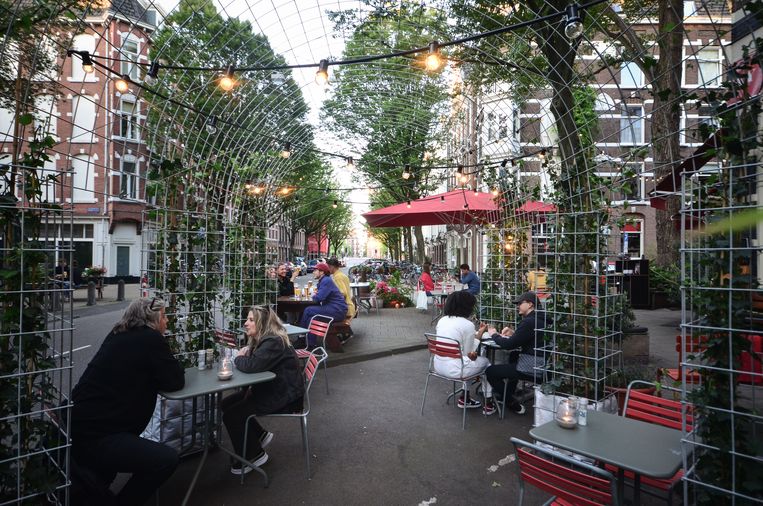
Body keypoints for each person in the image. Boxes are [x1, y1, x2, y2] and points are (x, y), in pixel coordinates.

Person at [70, 297, 185, 505]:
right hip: (101, 436)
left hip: (78, 428)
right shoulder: (150, 338)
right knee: (165, 460)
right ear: (154, 318)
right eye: (164, 316)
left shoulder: (117, 334)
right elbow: (175, 380)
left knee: (100, 477)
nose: (167, 321)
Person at [221, 306, 304, 474]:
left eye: (251, 320)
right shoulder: (267, 340)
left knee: (232, 414)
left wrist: (239, 357)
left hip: (287, 398)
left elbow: (251, 366)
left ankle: (253, 456)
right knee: (227, 403)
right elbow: (256, 363)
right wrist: (247, 354)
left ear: (262, 323)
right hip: (277, 390)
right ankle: (258, 436)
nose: (246, 323)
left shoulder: (273, 341)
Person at [485, 291, 547, 415]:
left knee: (490, 371)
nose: (517, 306)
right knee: (513, 356)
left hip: (532, 366)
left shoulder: (529, 322)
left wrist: (494, 335)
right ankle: (508, 392)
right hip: (544, 364)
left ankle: (510, 401)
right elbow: (531, 338)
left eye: (520, 303)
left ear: (530, 304)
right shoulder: (541, 318)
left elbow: (508, 345)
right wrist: (514, 334)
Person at [434, 291, 495, 415]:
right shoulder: (467, 325)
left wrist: (478, 334)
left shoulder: (442, 320)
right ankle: (488, 402)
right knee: (486, 363)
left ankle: (464, 397)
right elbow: (468, 353)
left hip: (438, 366)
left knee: (469, 363)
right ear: (467, 307)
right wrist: (480, 334)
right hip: (456, 369)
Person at [298, 263, 348, 347]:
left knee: (308, 310)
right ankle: (310, 344)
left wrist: (314, 295)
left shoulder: (326, 281)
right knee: (311, 317)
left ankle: (302, 337)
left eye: (315, 270)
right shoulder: (325, 280)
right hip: (336, 309)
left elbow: (319, 298)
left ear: (322, 272)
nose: (313, 272)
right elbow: (320, 296)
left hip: (337, 310)